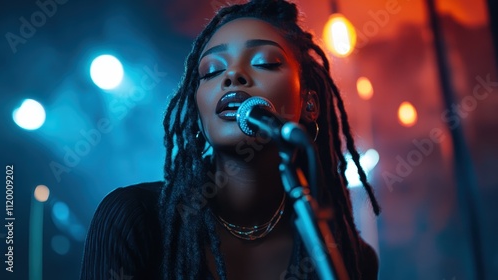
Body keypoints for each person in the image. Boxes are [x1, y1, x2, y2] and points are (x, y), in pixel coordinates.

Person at [80, 0, 381, 279]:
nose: (233, 75)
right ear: (198, 112)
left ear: (309, 104)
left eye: (264, 62)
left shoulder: (349, 257)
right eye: (211, 71)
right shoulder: (133, 220)